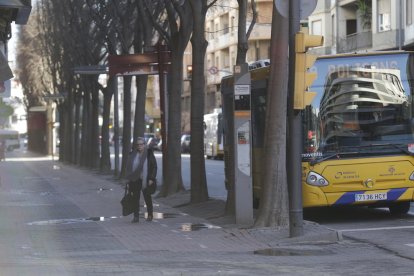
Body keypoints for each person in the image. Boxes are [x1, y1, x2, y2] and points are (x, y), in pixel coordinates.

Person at [125, 137, 157, 223]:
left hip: (146, 179)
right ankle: (136, 216)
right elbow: (129, 167)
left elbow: (154, 167)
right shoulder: (133, 154)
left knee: (147, 198)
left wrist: (151, 178)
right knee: (135, 198)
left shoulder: (149, 153)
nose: (139, 146)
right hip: (135, 179)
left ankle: (150, 215)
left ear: (144, 145)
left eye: (141, 144)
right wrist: (128, 179)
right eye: (138, 144)